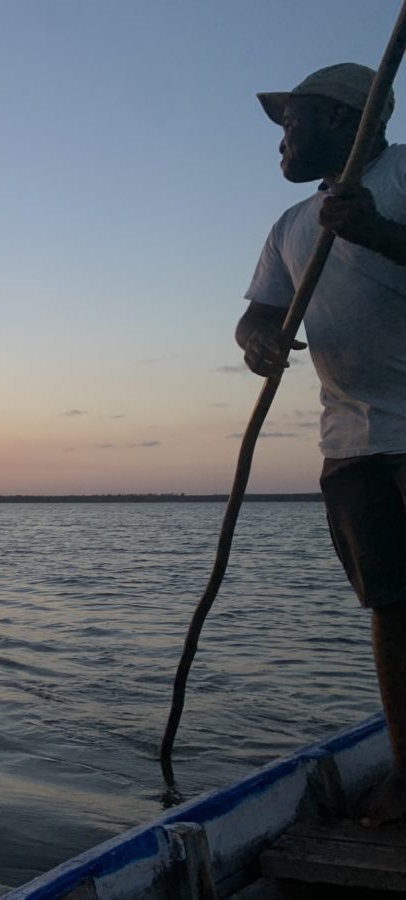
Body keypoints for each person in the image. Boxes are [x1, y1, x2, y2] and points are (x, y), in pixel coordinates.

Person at [237, 62, 406, 827]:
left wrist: (378, 232)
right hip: (353, 446)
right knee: (394, 610)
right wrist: (260, 340)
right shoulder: (289, 227)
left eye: (293, 121)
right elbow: (258, 315)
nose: (281, 137)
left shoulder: (401, 177)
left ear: (345, 119)